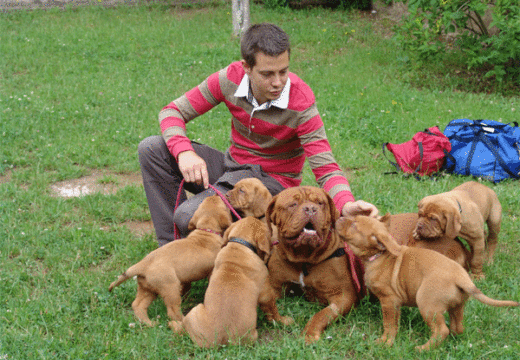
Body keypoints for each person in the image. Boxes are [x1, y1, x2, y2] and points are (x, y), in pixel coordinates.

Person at [138, 23, 378, 247]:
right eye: (267, 74)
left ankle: (208, 250)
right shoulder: (229, 79)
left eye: (283, 71)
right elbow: (172, 111)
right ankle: (172, 250)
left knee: (187, 215)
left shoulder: (301, 102)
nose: (278, 82)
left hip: (271, 184)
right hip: (233, 169)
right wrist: (184, 152)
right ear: (246, 68)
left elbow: (326, 168)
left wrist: (346, 204)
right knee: (152, 149)